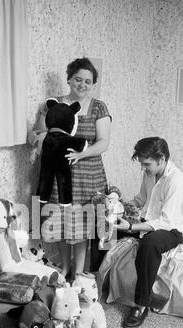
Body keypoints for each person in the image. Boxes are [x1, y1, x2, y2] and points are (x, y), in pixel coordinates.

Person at [32, 57, 112, 279]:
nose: (82, 85)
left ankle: (77, 272)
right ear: (69, 79)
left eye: (88, 81)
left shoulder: (98, 107)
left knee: (81, 226)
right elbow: (37, 134)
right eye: (78, 79)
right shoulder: (54, 103)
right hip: (59, 178)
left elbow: (104, 142)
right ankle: (65, 267)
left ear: (93, 84)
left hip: (89, 176)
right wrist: (44, 139)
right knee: (60, 224)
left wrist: (81, 153)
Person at [114, 137, 183, 328]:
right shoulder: (149, 174)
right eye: (142, 164)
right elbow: (142, 200)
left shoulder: (176, 181)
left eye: (146, 164)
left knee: (149, 244)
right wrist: (124, 206)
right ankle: (95, 284)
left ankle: (141, 304)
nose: (143, 168)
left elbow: (165, 221)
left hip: (170, 229)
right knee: (108, 225)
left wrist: (131, 227)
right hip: (147, 221)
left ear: (162, 159)